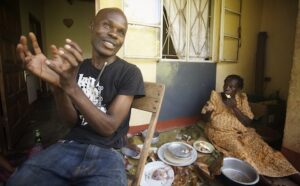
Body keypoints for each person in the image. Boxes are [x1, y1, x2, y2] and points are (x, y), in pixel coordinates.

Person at [7, 7, 144, 186]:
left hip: (108, 153)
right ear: (92, 26)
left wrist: (70, 87)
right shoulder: (77, 68)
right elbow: (70, 122)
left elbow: (109, 127)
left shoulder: (130, 72)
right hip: (69, 145)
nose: (114, 34)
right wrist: (58, 88)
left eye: (121, 31)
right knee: (18, 182)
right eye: (107, 25)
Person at [201, 75, 299, 180]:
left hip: (243, 132)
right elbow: (205, 119)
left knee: (264, 148)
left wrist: (234, 108)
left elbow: (247, 122)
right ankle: (260, 178)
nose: (227, 88)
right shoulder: (216, 97)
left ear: (238, 89)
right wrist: (208, 113)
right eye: (226, 84)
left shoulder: (242, 99)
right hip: (221, 134)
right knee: (241, 152)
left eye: (232, 87)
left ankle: (293, 173)